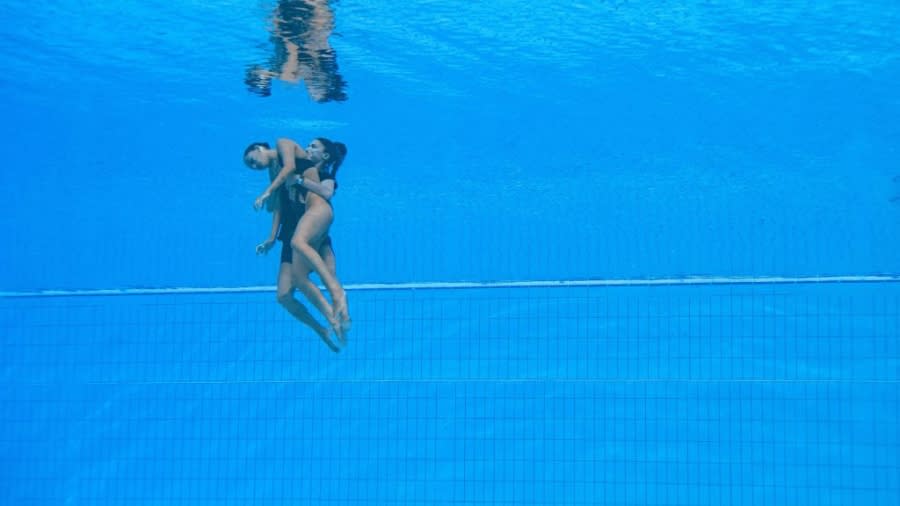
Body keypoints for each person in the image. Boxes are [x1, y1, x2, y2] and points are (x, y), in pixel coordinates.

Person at [251, 137, 351, 341]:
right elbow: (276, 207)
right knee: (286, 293)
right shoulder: (292, 171)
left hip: (314, 234)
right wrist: (271, 238)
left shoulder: (320, 175)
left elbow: (326, 193)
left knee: (329, 276)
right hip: (292, 235)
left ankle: (342, 314)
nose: (307, 148)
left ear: (324, 156)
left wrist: (295, 181)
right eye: (307, 146)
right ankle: (328, 324)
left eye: (313, 147)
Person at [244, 0, 348, 102]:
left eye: (308, 88)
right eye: (313, 85)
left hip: (295, 16)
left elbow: (255, 69)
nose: (308, 85)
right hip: (296, 17)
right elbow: (290, 44)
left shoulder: (292, 72)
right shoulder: (293, 71)